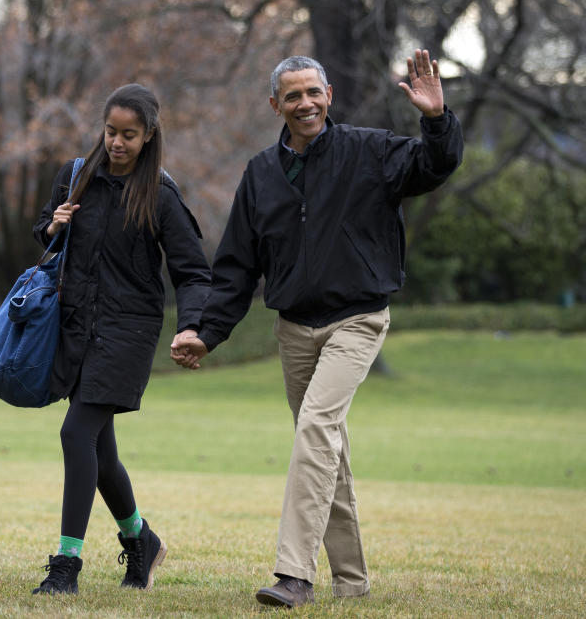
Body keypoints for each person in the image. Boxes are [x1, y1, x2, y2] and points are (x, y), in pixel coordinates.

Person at [171, 50, 463, 608]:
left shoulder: (370, 150)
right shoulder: (260, 173)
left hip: (357, 320)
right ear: (275, 104)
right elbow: (236, 266)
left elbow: (434, 166)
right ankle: (352, 584)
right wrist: (206, 333)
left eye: (313, 92)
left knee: (314, 433)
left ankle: (294, 576)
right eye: (293, 95)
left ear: (328, 95)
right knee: (326, 450)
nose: (304, 103)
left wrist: (435, 119)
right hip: (295, 330)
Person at [29, 83, 210, 594]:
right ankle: (141, 540)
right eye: (110, 132)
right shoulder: (75, 177)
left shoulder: (161, 195)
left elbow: (194, 271)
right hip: (75, 326)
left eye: (129, 135)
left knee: (74, 434)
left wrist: (192, 325)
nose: (117, 143)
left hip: (128, 332)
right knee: (99, 450)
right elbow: (44, 231)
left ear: (149, 136)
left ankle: (66, 565)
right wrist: (53, 226)